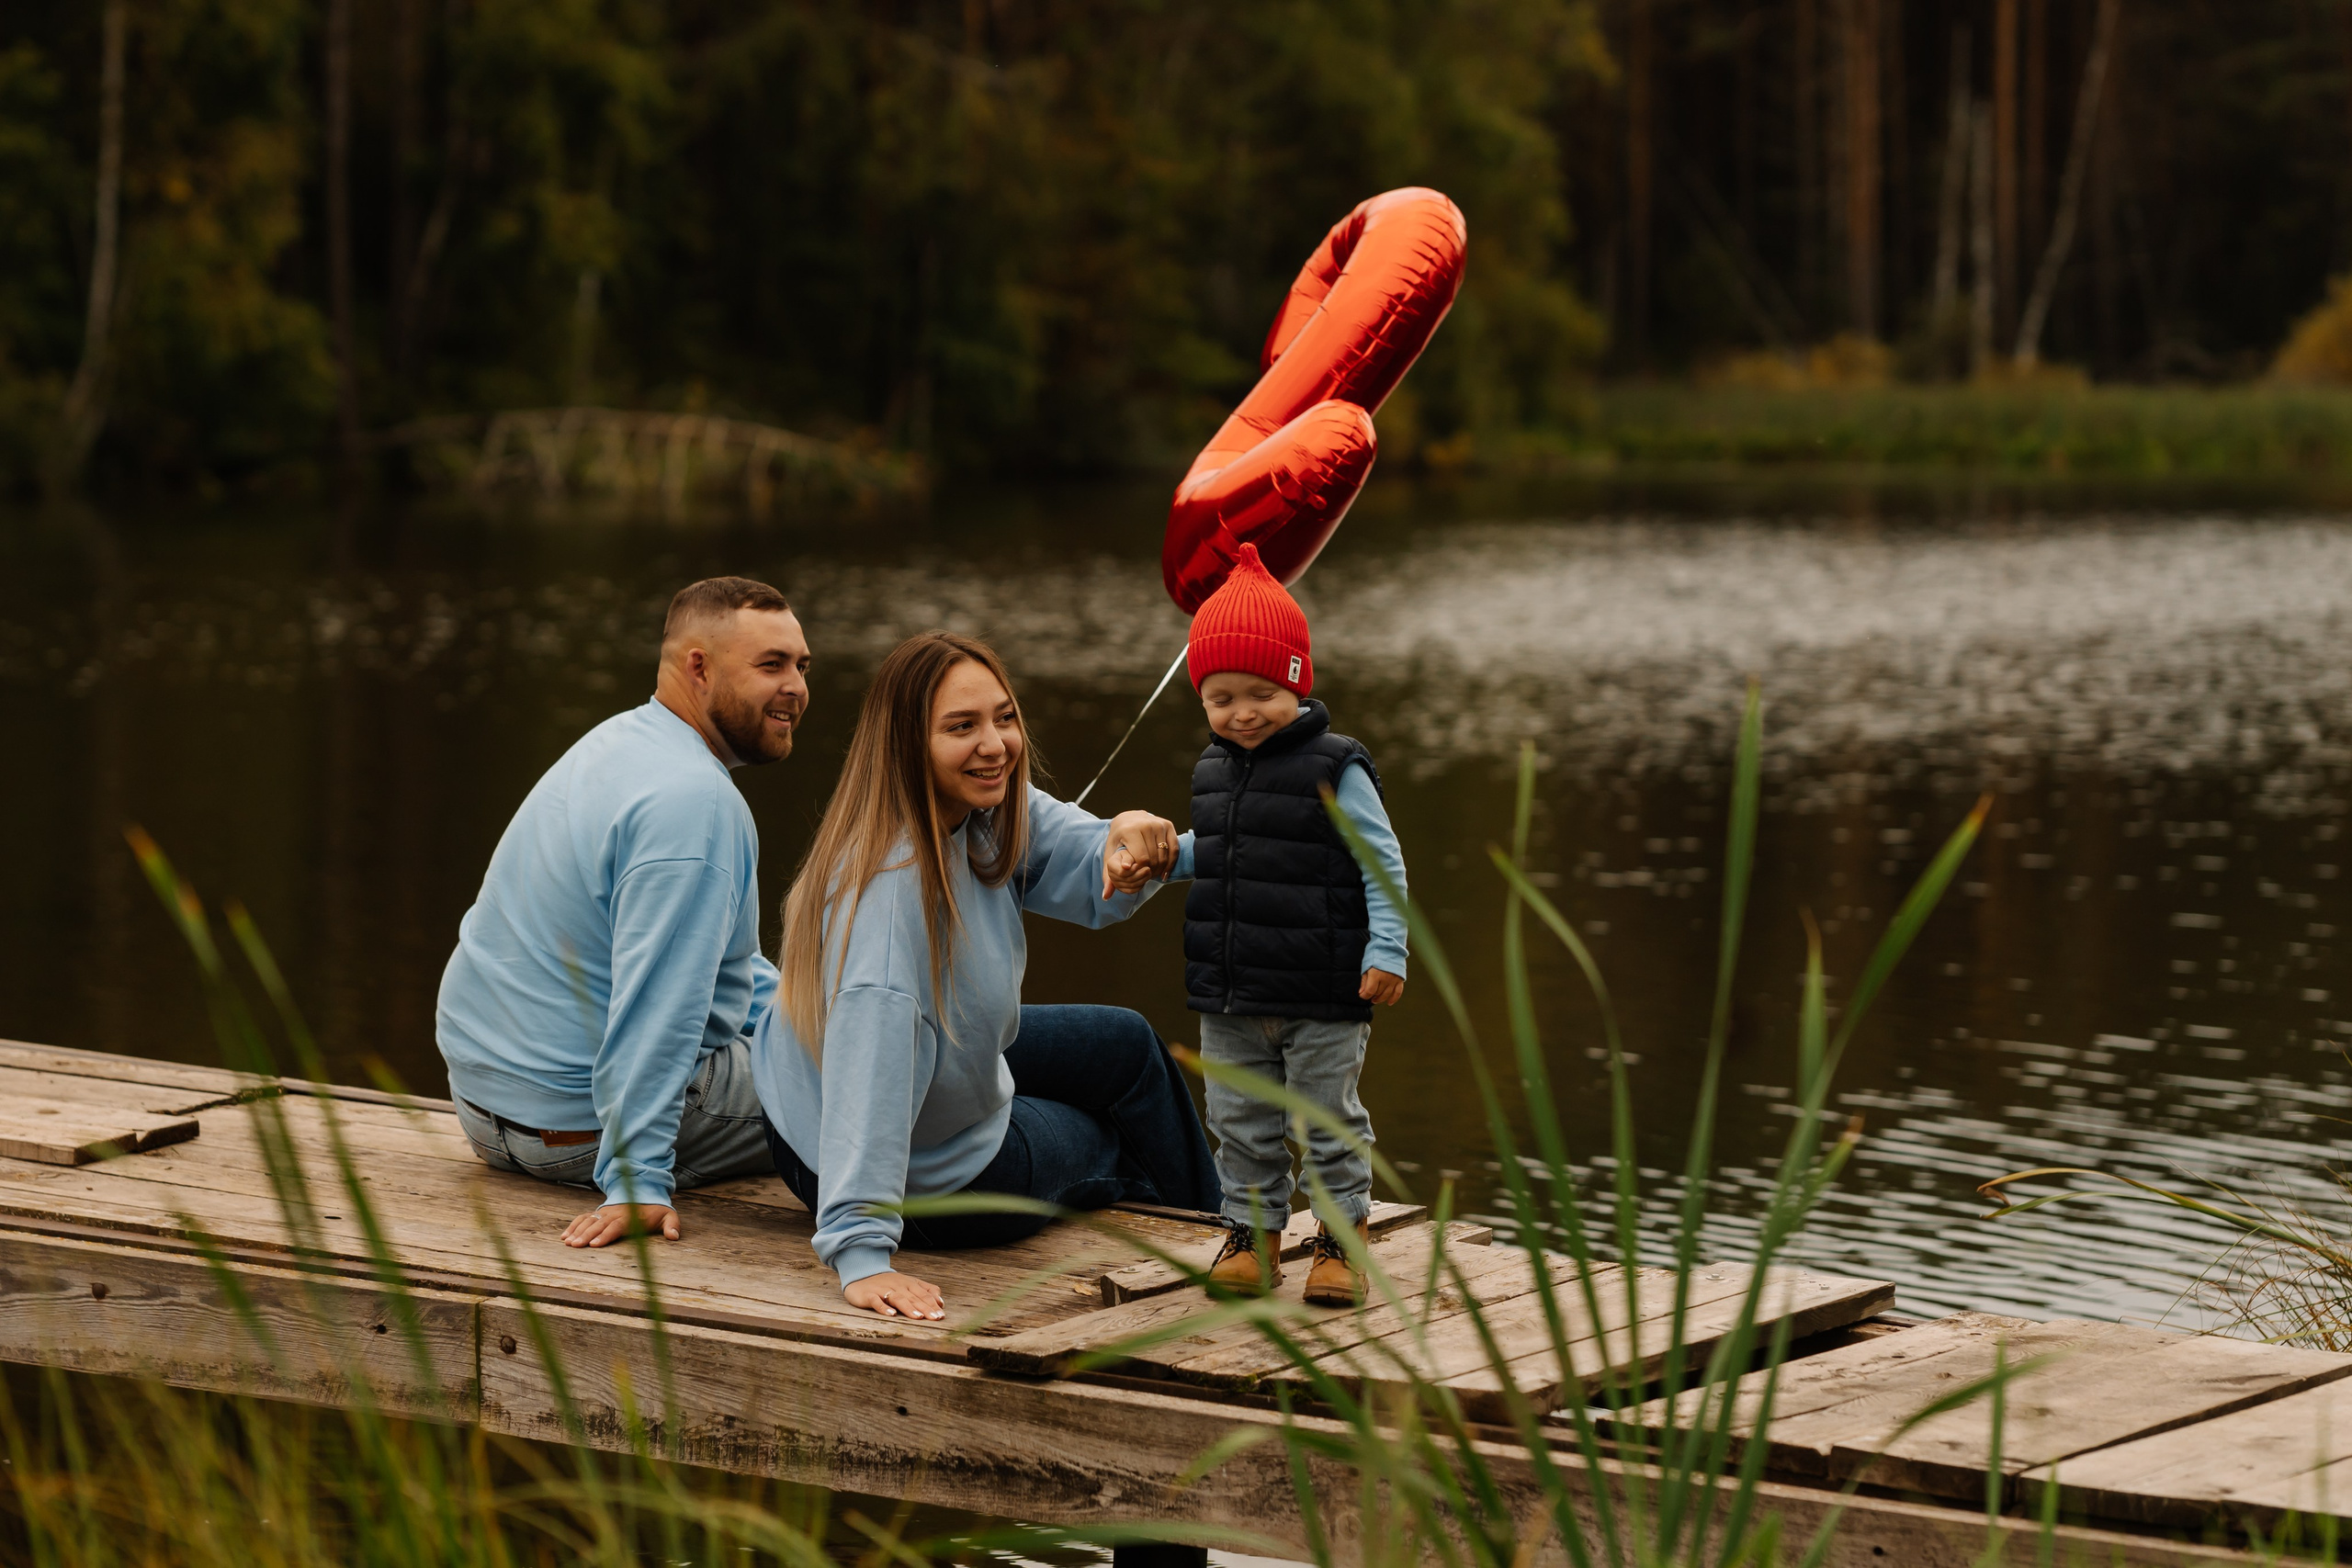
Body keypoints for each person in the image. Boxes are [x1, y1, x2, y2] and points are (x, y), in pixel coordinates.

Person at [752, 630, 1219, 1321]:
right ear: (909, 744)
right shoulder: (888, 898)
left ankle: (1225, 1229)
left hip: (911, 1078)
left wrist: (1163, 848)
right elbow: (871, 1061)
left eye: (1003, 717)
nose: (995, 743)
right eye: (961, 727)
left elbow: (1073, 849)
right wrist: (860, 1248)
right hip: (915, 1177)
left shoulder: (978, 811)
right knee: (1111, 1137)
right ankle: (1211, 1250)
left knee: (1127, 1043)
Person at [435, 576, 809, 1249]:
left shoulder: (619, 745)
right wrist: (636, 1178)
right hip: (577, 1133)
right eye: (771, 665)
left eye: (801, 667)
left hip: (484, 1112)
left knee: (838, 1027)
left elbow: (717, 965)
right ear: (698, 666)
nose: (797, 688)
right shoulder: (696, 803)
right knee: (879, 1074)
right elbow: (659, 1008)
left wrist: (811, 1008)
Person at [1182, 544, 1408, 1306]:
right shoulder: (1211, 772)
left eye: (1258, 692)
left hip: (1322, 988)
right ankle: (1253, 1236)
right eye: (1220, 698)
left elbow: (1383, 861)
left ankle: (1341, 1240)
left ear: (1295, 681)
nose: (1241, 712)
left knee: (1326, 1121)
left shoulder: (1335, 764)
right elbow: (1216, 852)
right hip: (1234, 991)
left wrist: (1388, 948)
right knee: (1239, 1119)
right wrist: (1155, 857)